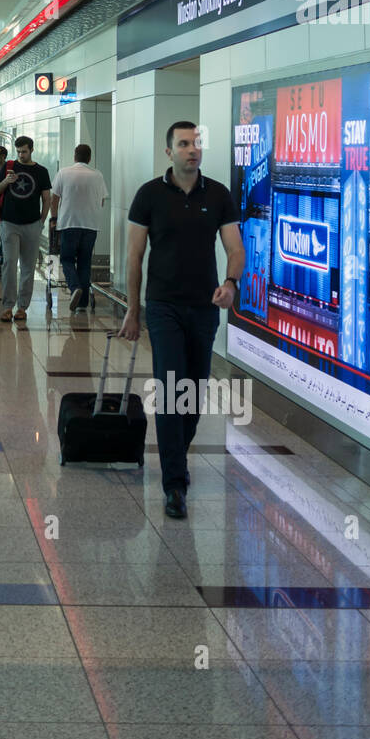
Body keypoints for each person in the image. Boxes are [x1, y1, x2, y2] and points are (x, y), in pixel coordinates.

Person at [119, 121, 245, 521]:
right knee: (172, 389)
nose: (193, 150)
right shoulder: (149, 195)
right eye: (184, 144)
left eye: (197, 144)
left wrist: (230, 282)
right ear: (168, 151)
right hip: (164, 306)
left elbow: (235, 247)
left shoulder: (218, 195)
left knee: (195, 391)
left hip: (205, 306)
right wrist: (132, 309)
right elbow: (134, 257)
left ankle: (176, 452)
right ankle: (175, 482)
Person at [0, 135, 52, 322]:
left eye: (24, 151)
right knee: (9, 263)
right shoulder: (9, 167)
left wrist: (41, 222)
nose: (21, 155)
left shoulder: (41, 171)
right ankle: (7, 306)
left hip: (32, 224)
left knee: (28, 267)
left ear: (31, 150)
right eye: (18, 151)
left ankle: (23, 307)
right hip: (9, 223)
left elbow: (47, 198)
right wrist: (6, 182)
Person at [50, 144, 108, 313]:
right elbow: (102, 201)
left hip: (69, 224)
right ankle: (82, 304)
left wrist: (54, 218)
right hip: (91, 225)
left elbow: (55, 199)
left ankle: (75, 287)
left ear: (74, 156)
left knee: (67, 259)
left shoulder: (64, 173)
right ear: (89, 158)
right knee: (84, 262)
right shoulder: (97, 175)